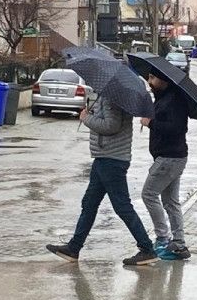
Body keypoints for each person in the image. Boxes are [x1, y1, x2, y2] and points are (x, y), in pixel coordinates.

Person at [46, 95, 158, 266]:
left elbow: (111, 125)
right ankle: (73, 248)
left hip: (111, 159)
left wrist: (86, 118)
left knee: (122, 206)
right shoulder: (108, 95)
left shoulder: (112, 98)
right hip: (104, 158)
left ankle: (147, 248)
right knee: (89, 203)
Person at [140, 73, 192, 261]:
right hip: (171, 157)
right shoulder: (163, 98)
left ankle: (163, 239)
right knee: (170, 201)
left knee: (148, 194)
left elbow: (177, 128)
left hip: (169, 158)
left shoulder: (174, 100)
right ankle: (178, 244)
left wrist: (151, 123)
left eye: (153, 78)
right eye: (149, 78)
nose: (149, 82)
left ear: (164, 80)